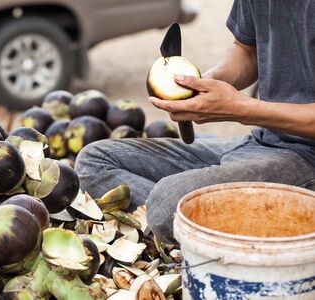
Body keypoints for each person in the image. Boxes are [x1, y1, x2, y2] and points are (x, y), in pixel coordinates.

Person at [75, 0, 315, 243]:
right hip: (264, 141)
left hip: (308, 156)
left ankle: (194, 223)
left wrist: (242, 109)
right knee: (94, 161)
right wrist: (203, 84)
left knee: (168, 203)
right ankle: (206, 222)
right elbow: (248, 50)